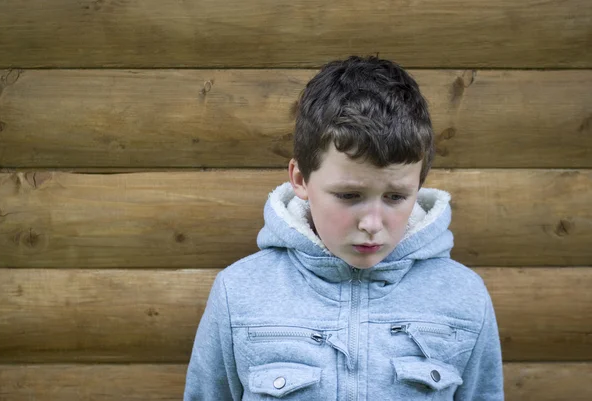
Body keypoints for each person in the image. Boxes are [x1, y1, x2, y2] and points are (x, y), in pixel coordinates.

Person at [183, 55, 504, 400]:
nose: (371, 224)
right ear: (300, 179)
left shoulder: (464, 297)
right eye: (349, 195)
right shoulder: (238, 293)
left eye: (396, 196)